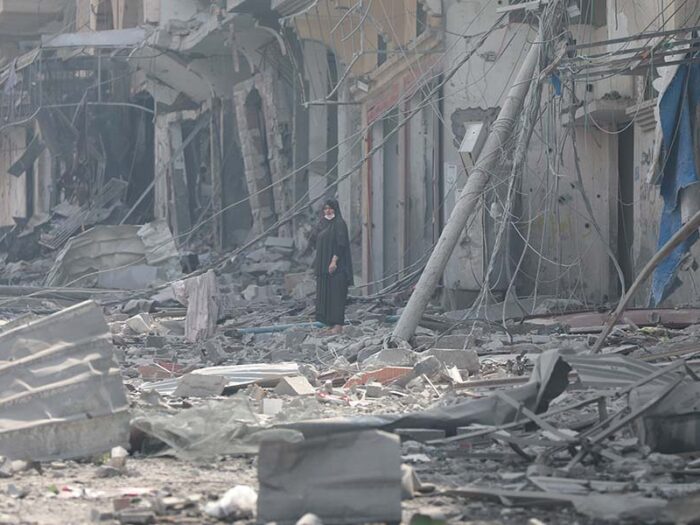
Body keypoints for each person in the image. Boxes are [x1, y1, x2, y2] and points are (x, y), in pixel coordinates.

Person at [312, 199, 353, 334]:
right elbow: (314, 241)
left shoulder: (339, 224)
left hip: (337, 268)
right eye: (325, 209)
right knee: (327, 295)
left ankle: (338, 326)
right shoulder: (322, 224)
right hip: (324, 268)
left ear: (335, 209)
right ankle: (330, 325)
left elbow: (341, 244)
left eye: (330, 208)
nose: (328, 211)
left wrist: (334, 261)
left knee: (337, 296)